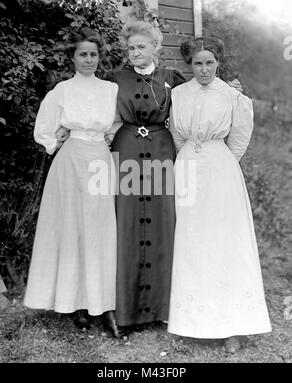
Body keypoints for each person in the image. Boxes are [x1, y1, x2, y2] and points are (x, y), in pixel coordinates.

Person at [167, 37, 272, 353]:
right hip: (187, 168)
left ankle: (232, 327)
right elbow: (175, 135)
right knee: (192, 241)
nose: (203, 69)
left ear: (218, 63)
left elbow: (239, 138)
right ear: (190, 65)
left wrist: (219, 162)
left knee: (225, 243)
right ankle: (192, 323)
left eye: (209, 63)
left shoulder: (231, 95)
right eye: (197, 63)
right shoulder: (178, 94)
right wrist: (189, 160)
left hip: (221, 172)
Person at [23, 27, 123, 337]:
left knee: (101, 229)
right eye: (83, 54)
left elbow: (119, 124)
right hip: (71, 162)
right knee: (74, 228)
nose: (89, 60)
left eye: (93, 54)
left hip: (100, 161)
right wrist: (55, 142)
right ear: (73, 58)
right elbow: (43, 129)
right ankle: (78, 303)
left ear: (99, 58)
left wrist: (108, 140)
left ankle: (105, 304)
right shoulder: (62, 90)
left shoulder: (110, 90)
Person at [105, 21, 186, 329]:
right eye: (130, 48)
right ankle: (126, 310)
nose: (135, 52)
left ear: (155, 48)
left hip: (162, 151)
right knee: (126, 220)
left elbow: (197, 99)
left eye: (141, 46)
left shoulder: (171, 79)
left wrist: (229, 90)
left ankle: (163, 309)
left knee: (163, 220)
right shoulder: (114, 80)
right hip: (125, 151)